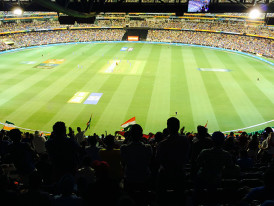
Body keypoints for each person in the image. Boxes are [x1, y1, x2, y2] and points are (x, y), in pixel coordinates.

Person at [156, 117, 190, 205]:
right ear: (178, 127)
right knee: (180, 197)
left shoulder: (162, 144)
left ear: (168, 127)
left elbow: (158, 160)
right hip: (180, 173)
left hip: (165, 174)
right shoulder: (185, 140)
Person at [120, 124, 152, 192]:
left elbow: (123, 163)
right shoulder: (148, 148)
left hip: (129, 178)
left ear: (130, 135)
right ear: (141, 135)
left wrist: (128, 137)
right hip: (144, 178)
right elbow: (149, 162)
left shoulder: (124, 148)